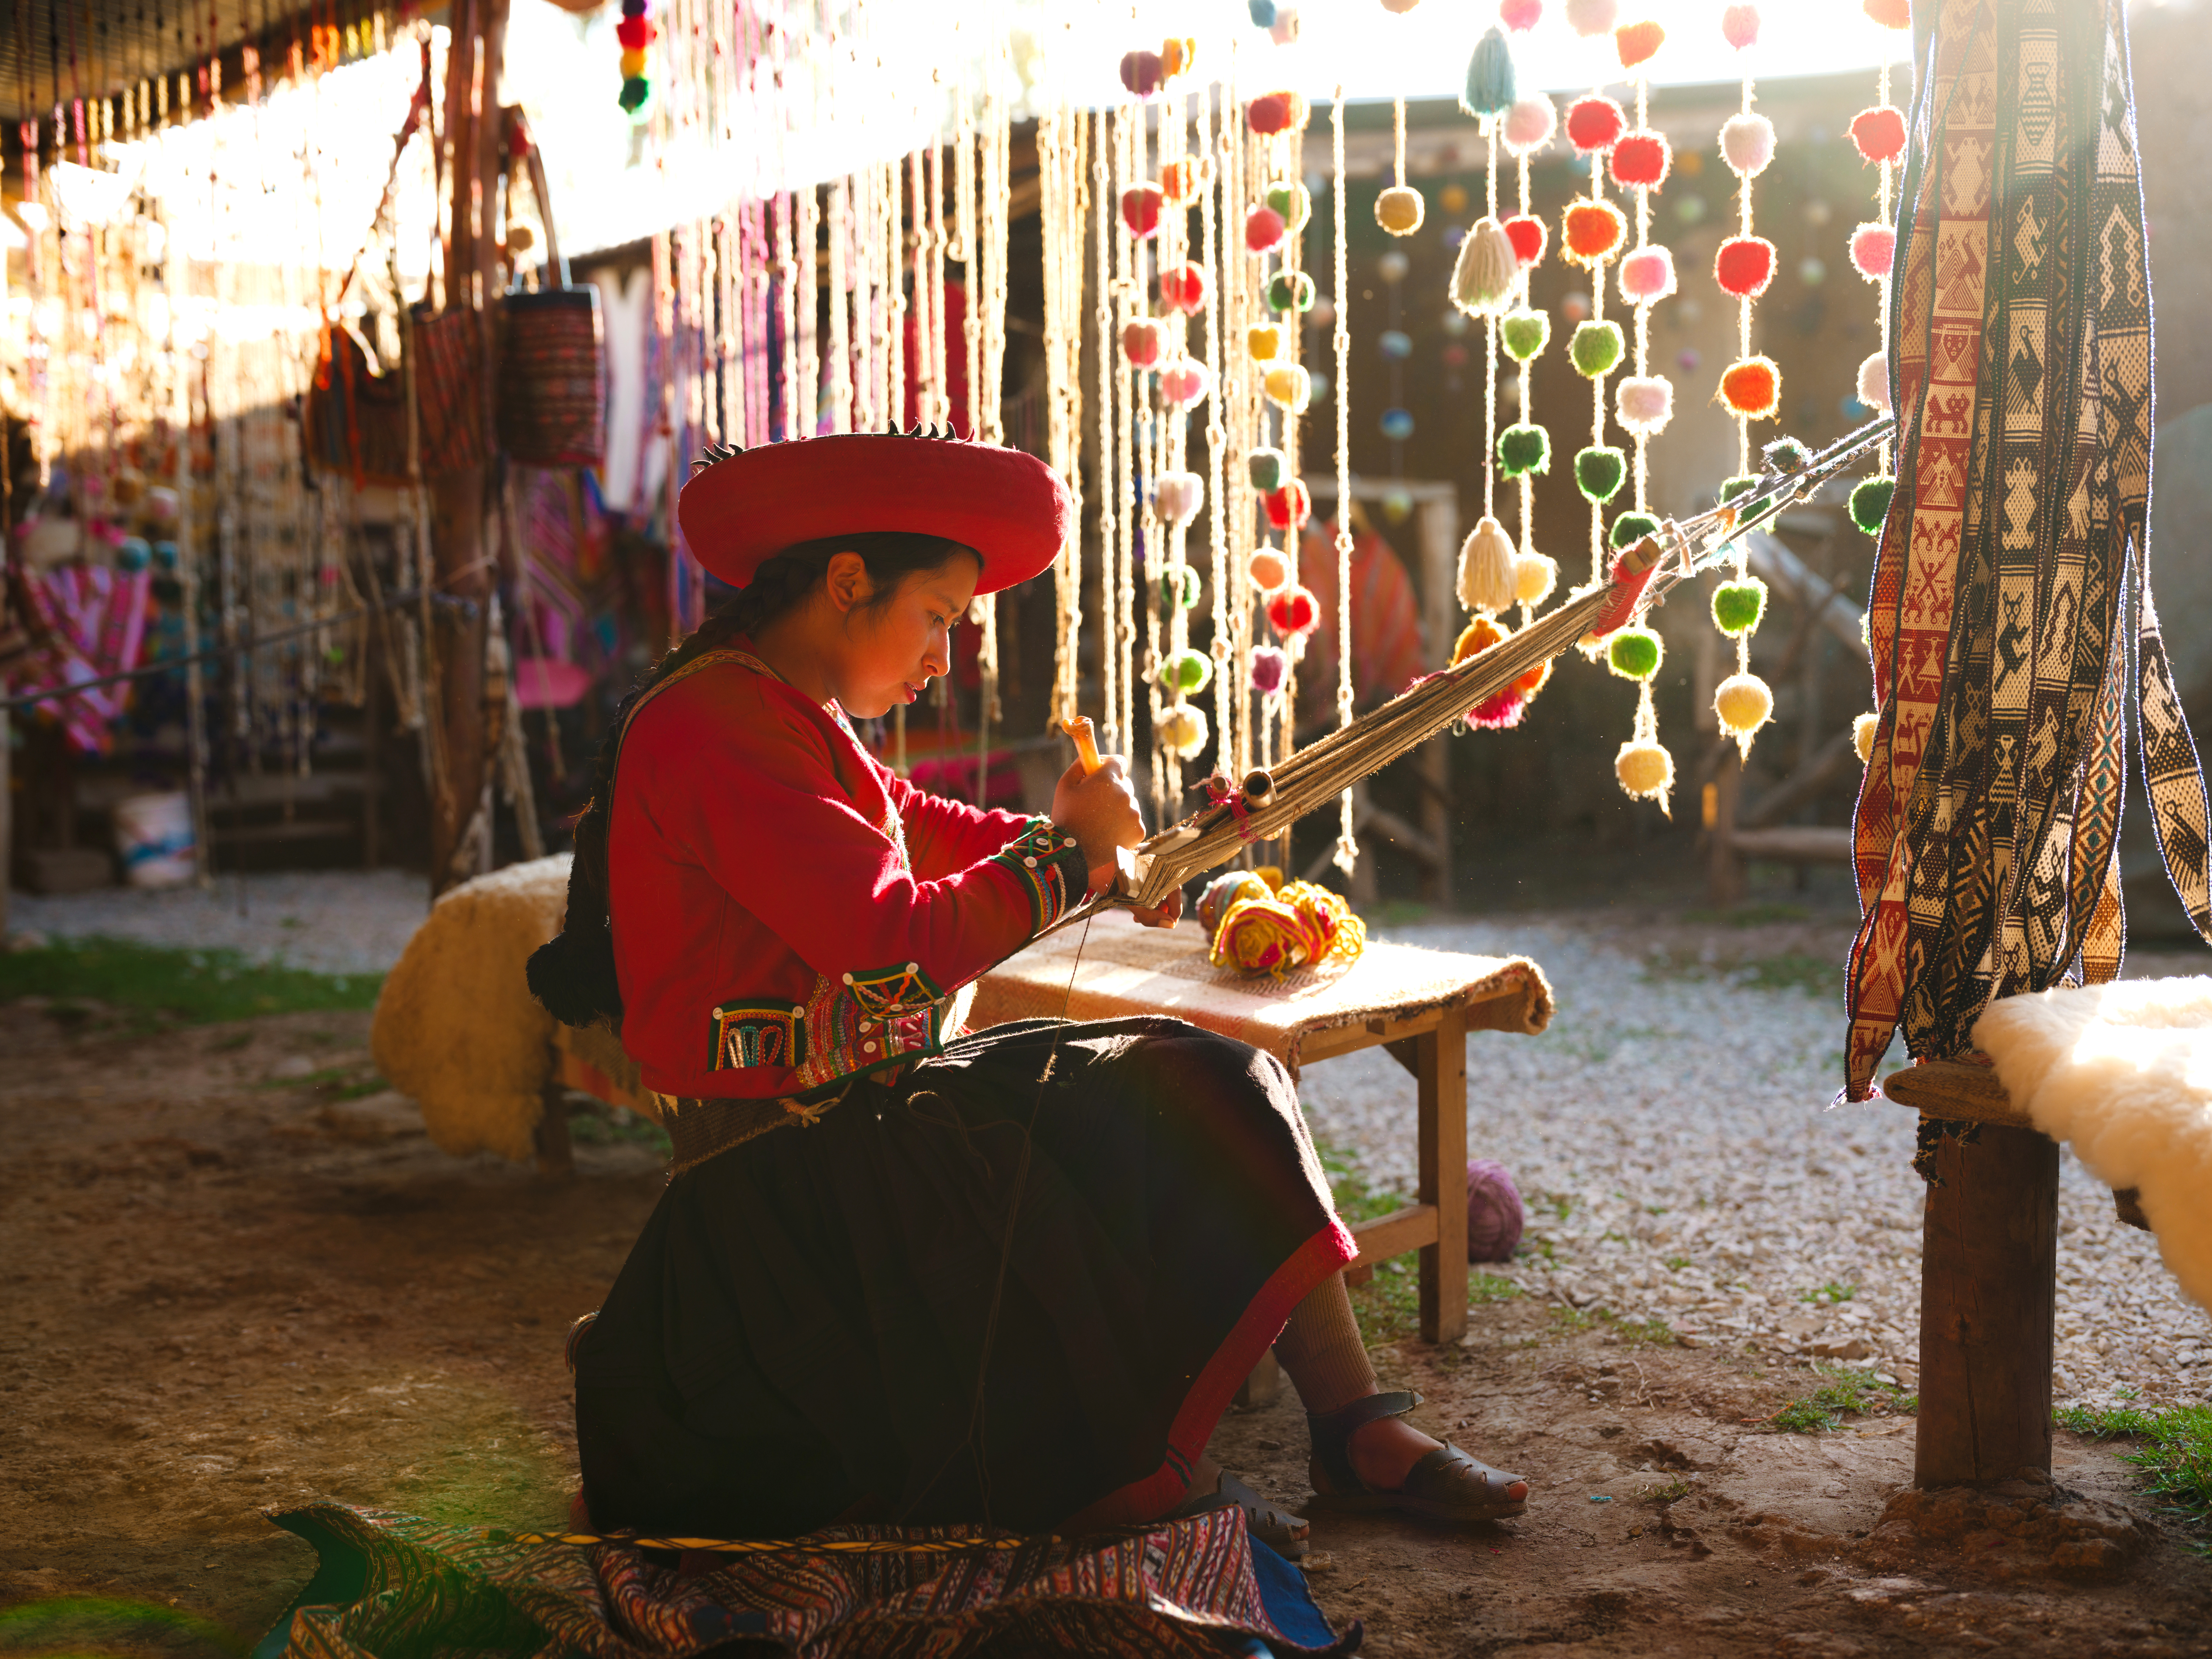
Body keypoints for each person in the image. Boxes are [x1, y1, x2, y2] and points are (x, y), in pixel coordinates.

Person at [529, 431, 1528, 1554]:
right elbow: (888, 944)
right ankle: (1170, 1464)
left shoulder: (786, 715)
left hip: (864, 1117)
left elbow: (927, 825)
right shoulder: (714, 728)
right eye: (938, 617)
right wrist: (1065, 861)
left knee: (1209, 1076)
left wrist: (1127, 857)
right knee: (1125, 1133)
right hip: (788, 1175)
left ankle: (1354, 1425)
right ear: (849, 580)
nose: (941, 659)